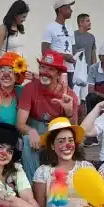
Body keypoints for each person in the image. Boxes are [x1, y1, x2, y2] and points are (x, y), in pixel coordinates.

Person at [17, 50, 79, 180]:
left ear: (58, 73)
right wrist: (32, 131)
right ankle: (33, 184)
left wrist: (68, 111)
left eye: (50, 69)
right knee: (28, 141)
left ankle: (64, 182)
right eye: (42, 67)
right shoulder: (30, 88)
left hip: (58, 131)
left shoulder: (69, 94)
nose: (44, 72)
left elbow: (74, 128)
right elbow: (20, 124)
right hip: (37, 128)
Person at [42, 0, 76, 86]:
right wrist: (63, 56)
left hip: (70, 69)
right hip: (56, 70)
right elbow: (45, 51)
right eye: (68, 8)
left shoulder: (70, 28)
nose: (71, 10)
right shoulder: (50, 28)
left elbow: (72, 48)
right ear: (60, 10)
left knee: (69, 96)